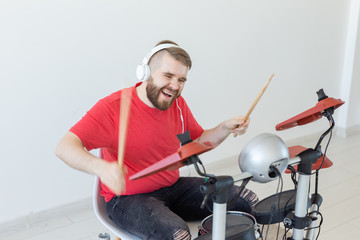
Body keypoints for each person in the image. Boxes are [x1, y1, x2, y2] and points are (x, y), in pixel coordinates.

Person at [56, 40, 258, 240]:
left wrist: (223, 128)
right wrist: (100, 168)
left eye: (181, 80)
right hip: (128, 199)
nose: (175, 86)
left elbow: (197, 142)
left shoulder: (176, 104)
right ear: (145, 73)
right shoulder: (112, 108)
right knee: (178, 235)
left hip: (173, 189)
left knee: (248, 202)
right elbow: (64, 147)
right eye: (168, 76)